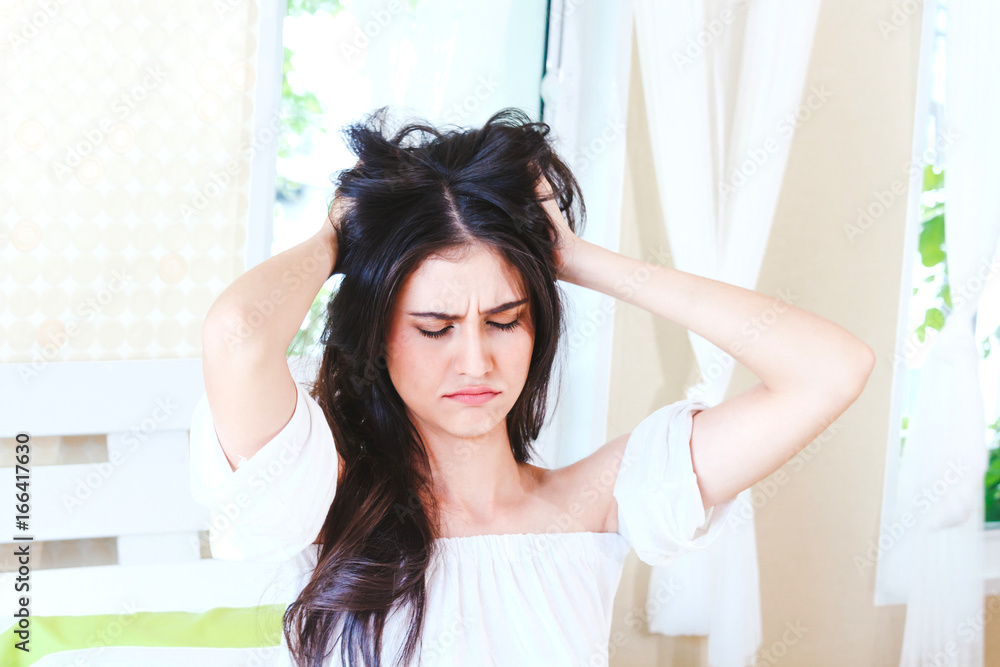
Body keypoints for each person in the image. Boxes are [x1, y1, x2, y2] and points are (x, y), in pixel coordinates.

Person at [188, 106, 875, 666]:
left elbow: (830, 369)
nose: (477, 361)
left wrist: (577, 259)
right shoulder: (321, 498)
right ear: (379, 336)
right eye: (435, 327)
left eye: (505, 320)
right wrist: (337, 238)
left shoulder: (595, 503)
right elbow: (237, 335)